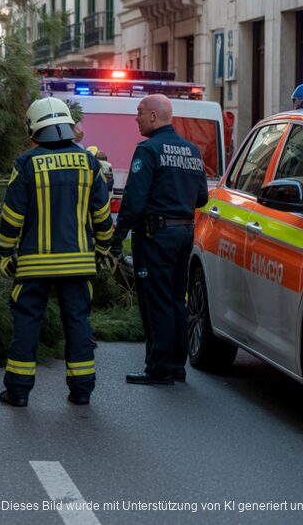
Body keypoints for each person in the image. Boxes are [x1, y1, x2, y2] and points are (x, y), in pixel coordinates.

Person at [0, 97, 114, 407]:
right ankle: (82, 391)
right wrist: (102, 248)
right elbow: (102, 213)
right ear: (66, 125)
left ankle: (18, 392)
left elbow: (12, 216)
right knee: (78, 323)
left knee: (26, 323)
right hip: (78, 262)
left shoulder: (25, 164)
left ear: (34, 128)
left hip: (34, 264)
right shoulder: (89, 163)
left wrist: (6, 253)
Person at [109, 94, 209, 386]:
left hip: (155, 236)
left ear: (154, 116)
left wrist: (117, 238)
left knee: (156, 301)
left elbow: (134, 200)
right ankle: (177, 364)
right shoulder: (192, 151)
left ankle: (158, 366)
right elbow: (201, 197)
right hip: (184, 234)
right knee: (177, 298)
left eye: (139, 112)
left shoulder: (148, 150)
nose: (136, 117)